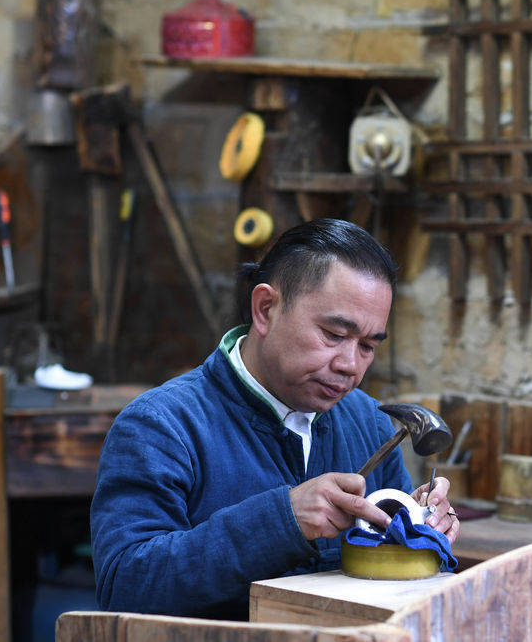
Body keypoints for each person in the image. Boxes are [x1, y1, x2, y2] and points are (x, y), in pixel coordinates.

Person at [90, 218, 459, 620]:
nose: (350, 365)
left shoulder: (370, 424)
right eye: (334, 335)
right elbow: (125, 587)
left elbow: (396, 576)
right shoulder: (161, 426)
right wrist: (282, 522)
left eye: (368, 346)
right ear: (265, 308)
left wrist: (423, 530)